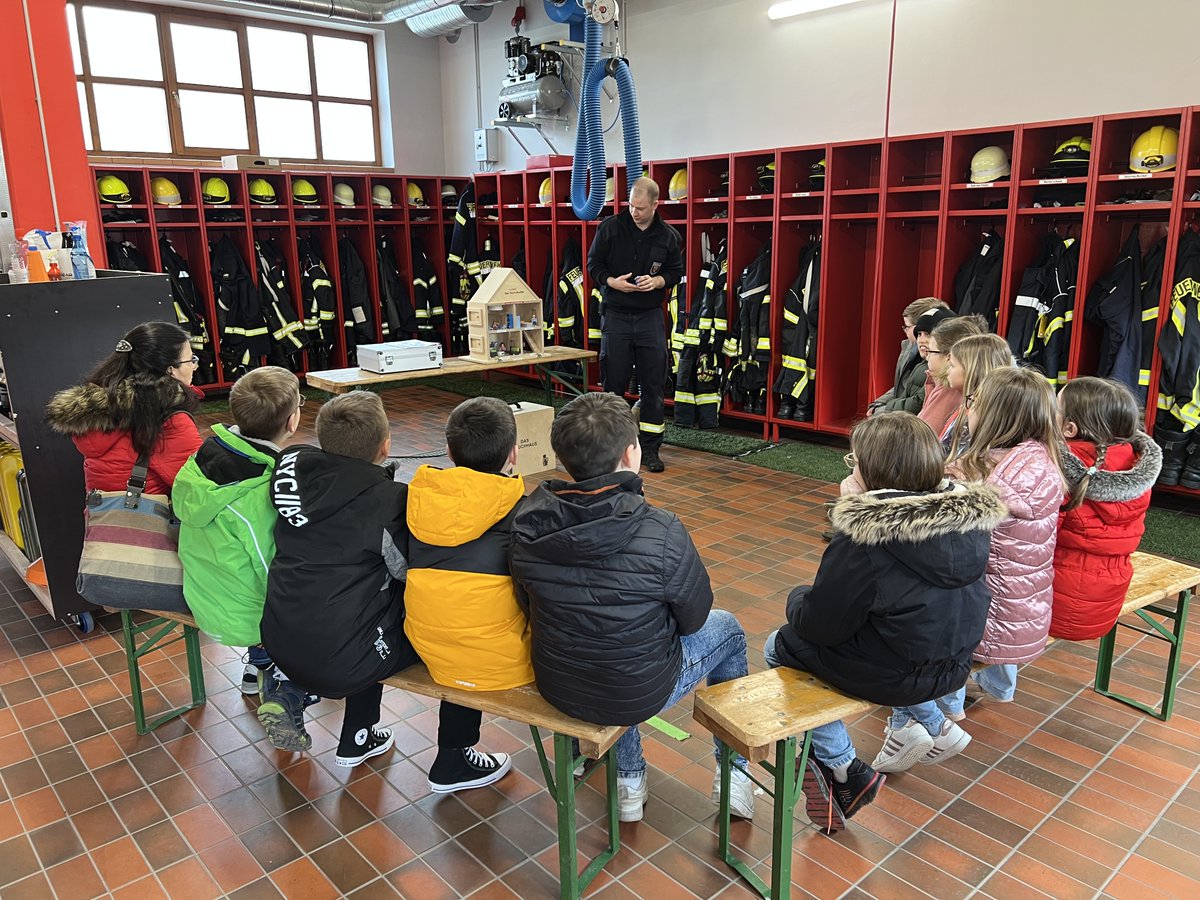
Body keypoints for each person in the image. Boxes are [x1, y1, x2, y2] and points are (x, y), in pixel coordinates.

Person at [509, 392, 754, 823]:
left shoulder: (528, 520)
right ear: (631, 452)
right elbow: (694, 619)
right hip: (637, 688)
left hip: (560, 683)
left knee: (618, 639)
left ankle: (629, 780)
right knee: (727, 630)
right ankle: (735, 774)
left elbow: (528, 605)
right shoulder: (661, 530)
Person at [260, 392, 510, 786]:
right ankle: (454, 757)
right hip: (345, 658)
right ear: (386, 445)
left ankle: (356, 735)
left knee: (363, 606)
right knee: (456, 627)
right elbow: (410, 571)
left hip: (278, 635)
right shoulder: (388, 502)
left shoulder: (294, 476)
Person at [770, 413, 1004, 826]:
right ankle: (932, 722)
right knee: (888, 626)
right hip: (954, 667)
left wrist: (796, 598)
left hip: (898, 674)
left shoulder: (866, 536)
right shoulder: (970, 522)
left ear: (874, 472)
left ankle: (845, 768)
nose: (852, 468)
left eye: (855, 461)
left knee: (779, 644)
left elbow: (820, 625)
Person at [403, 396, 531, 791]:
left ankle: (453, 756)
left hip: (426, 646)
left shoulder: (417, 499)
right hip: (499, 660)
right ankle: (577, 752)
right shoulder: (526, 512)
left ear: (448, 451)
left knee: (463, 616)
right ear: (513, 454)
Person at [174, 367, 305, 712]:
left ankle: (255, 666)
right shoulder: (260, 489)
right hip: (240, 615)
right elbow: (271, 569)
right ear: (292, 422)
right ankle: (277, 678)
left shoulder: (204, 456)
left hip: (202, 592)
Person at [938, 367, 1064, 718]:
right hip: (1024, 615)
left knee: (921, 606)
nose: (969, 409)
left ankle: (939, 714)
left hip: (989, 621)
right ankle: (1000, 685)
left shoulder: (992, 484)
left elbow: (954, 555)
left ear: (996, 417)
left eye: (974, 402)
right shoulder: (1037, 463)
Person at [1051, 377, 1161, 640]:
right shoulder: (1132, 464)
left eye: (1054, 408)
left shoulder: (1062, 468)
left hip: (1057, 605)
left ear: (1069, 429)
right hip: (1103, 605)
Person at [587, 176, 685, 473]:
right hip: (616, 315)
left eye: (640, 207)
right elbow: (593, 265)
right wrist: (612, 282)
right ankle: (611, 449)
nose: (634, 211)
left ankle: (651, 450)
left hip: (649, 317)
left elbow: (675, 272)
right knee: (613, 385)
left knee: (653, 385)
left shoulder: (668, 236)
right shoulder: (610, 228)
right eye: (630, 205)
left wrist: (657, 281)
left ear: (656, 205)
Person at [45, 321, 202, 496]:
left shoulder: (99, 410)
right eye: (191, 360)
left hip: (106, 519)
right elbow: (201, 490)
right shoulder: (168, 418)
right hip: (152, 521)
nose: (194, 366)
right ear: (171, 370)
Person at [867, 297, 949, 414]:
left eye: (907, 327)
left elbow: (917, 402)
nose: (905, 331)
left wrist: (882, 410)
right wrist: (879, 404)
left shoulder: (934, 359)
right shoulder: (910, 348)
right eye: (919, 334)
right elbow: (901, 389)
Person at [940, 334, 1014, 454]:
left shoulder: (978, 415)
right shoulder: (969, 404)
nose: (947, 370)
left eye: (952, 366)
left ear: (972, 371)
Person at [918, 314, 987, 436]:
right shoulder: (944, 384)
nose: (927, 356)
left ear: (949, 357)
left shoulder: (950, 393)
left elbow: (922, 437)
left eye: (931, 351)